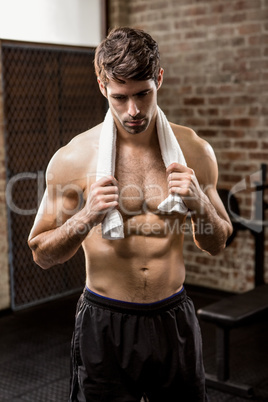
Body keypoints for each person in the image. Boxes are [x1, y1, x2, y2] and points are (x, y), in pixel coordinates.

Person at [28, 27, 232, 401]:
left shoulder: (194, 151)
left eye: (143, 94)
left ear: (159, 79)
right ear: (103, 86)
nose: (133, 110)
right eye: (120, 98)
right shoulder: (73, 158)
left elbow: (217, 242)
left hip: (174, 318)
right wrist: (85, 217)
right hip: (104, 321)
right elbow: (41, 253)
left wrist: (198, 203)